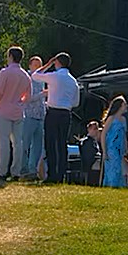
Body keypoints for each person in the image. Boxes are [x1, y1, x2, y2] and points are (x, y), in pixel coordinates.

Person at [33, 52, 82, 184]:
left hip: (53, 111)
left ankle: (52, 174)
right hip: (66, 113)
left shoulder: (55, 76)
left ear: (57, 62)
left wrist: (47, 65)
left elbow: (35, 76)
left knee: (50, 142)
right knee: (62, 143)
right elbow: (76, 102)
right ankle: (61, 174)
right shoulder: (73, 81)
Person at [0, 46, 34, 179]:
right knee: (18, 142)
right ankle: (16, 171)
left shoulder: (4, 72)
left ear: (10, 56)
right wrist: (20, 103)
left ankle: (2, 171)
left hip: (4, 109)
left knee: (4, 141)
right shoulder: (26, 76)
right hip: (18, 110)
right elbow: (28, 96)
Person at [23, 56, 48, 180]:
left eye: (40, 65)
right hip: (28, 114)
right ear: (30, 66)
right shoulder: (27, 78)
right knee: (25, 143)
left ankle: (33, 170)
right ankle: (23, 169)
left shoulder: (42, 79)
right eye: (35, 65)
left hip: (40, 115)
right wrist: (42, 94)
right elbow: (27, 99)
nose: (38, 67)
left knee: (37, 146)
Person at [101, 96, 128, 188]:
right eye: (124, 104)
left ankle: (118, 187)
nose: (126, 106)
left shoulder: (123, 120)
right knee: (113, 169)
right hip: (111, 148)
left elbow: (124, 136)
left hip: (120, 149)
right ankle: (111, 187)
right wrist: (104, 151)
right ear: (120, 106)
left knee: (119, 170)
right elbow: (103, 134)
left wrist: (127, 149)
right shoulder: (111, 118)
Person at [79, 120, 103, 186]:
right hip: (89, 164)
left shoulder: (95, 141)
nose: (96, 131)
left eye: (97, 129)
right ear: (89, 129)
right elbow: (88, 156)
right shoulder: (87, 142)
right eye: (94, 129)